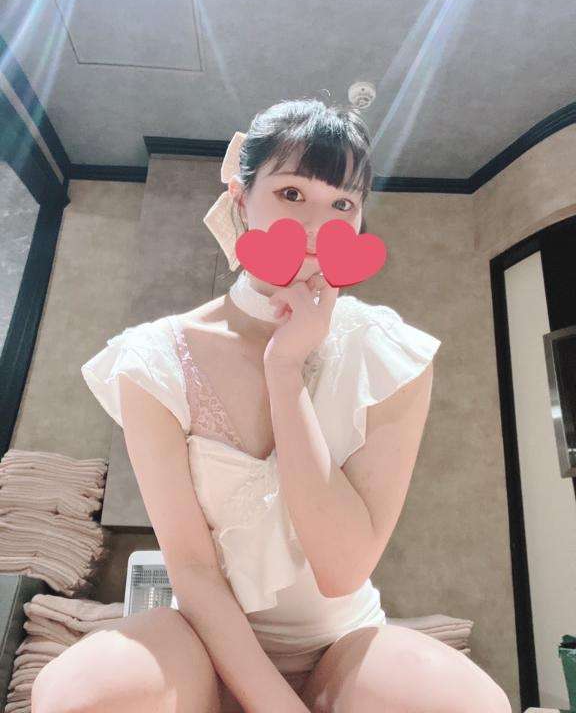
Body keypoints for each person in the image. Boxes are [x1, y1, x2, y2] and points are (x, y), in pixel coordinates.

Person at [31, 99, 510, 713]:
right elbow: (192, 568)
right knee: (85, 695)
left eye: (342, 204)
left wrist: (285, 372)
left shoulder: (391, 353)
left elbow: (341, 568)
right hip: (203, 644)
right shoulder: (155, 359)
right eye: (291, 193)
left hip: (343, 643)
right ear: (240, 199)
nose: (317, 223)